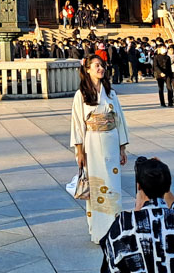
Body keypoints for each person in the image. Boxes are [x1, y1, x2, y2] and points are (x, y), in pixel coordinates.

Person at [98, 157, 174, 273]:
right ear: (167, 187)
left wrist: (137, 210)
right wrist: (161, 176)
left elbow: (112, 263)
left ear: (139, 186)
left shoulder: (124, 223)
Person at [70, 55, 129, 244]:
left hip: (111, 140)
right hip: (92, 143)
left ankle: (114, 228)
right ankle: (99, 230)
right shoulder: (81, 94)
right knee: (96, 186)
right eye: (97, 65)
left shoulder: (111, 93)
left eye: (102, 65)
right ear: (87, 69)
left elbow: (119, 120)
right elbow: (78, 124)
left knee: (113, 185)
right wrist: (79, 151)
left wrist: (122, 148)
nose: (100, 68)